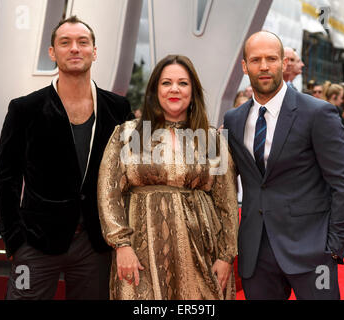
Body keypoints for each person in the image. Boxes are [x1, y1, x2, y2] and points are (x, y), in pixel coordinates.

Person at [0, 16, 133, 300]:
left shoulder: (118, 108)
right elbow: (6, 177)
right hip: (34, 244)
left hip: (96, 245)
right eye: (65, 42)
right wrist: (14, 242)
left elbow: (134, 172)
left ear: (94, 51)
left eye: (83, 42)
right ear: (52, 52)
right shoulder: (25, 109)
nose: (74, 49)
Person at [224, 30, 344, 300]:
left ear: (283, 63)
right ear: (244, 66)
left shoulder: (317, 113)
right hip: (256, 253)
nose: (264, 66)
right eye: (256, 59)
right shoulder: (233, 120)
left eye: (271, 58)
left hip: (313, 252)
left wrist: (333, 248)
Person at [97, 54, 239, 300]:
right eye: (166, 83)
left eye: (183, 83)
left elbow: (226, 200)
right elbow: (108, 192)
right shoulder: (128, 134)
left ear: (193, 91)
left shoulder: (211, 139)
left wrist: (226, 256)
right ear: (154, 90)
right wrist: (122, 246)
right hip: (139, 256)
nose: (174, 89)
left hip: (202, 253)